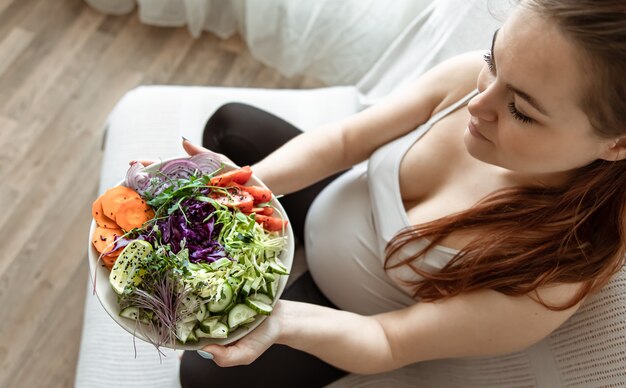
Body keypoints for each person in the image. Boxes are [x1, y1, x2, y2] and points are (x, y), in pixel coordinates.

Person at [179, 0, 626, 386]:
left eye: (520, 111)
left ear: (617, 143)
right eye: (493, 61)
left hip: (347, 309)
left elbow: (389, 341)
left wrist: (281, 322)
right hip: (330, 202)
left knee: (203, 375)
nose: (477, 103)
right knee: (230, 125)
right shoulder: (473, 80)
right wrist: (236, 191)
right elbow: (346, 143)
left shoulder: (557, 268)